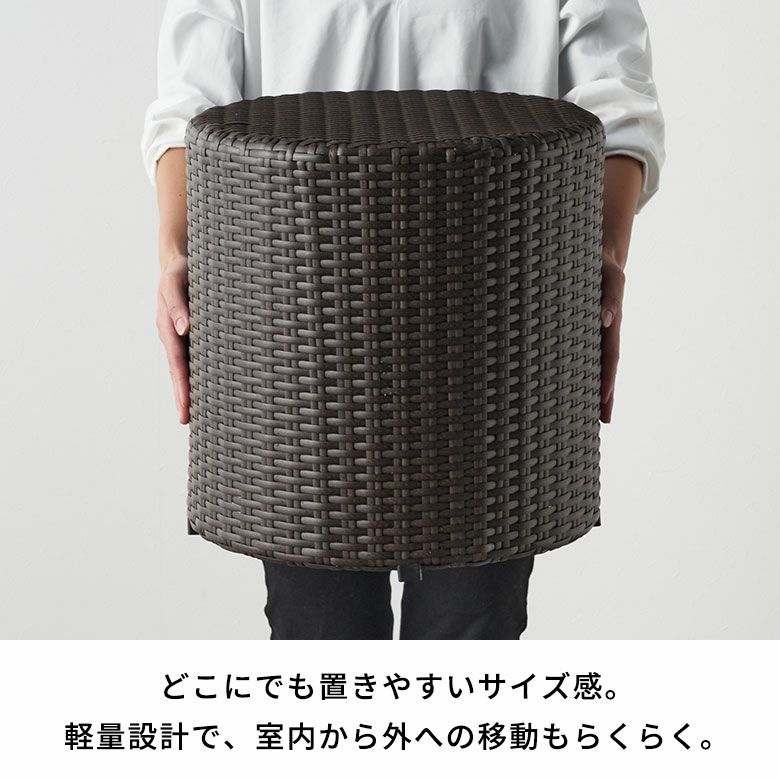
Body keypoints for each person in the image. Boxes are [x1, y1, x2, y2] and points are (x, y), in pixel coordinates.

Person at [141, 0, 665, 640]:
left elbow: (616, 102)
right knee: (318, 631)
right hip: (303, 313)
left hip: (492, 317)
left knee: (473, 633)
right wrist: (177, 252)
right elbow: (188, 108)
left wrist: (601, 255)